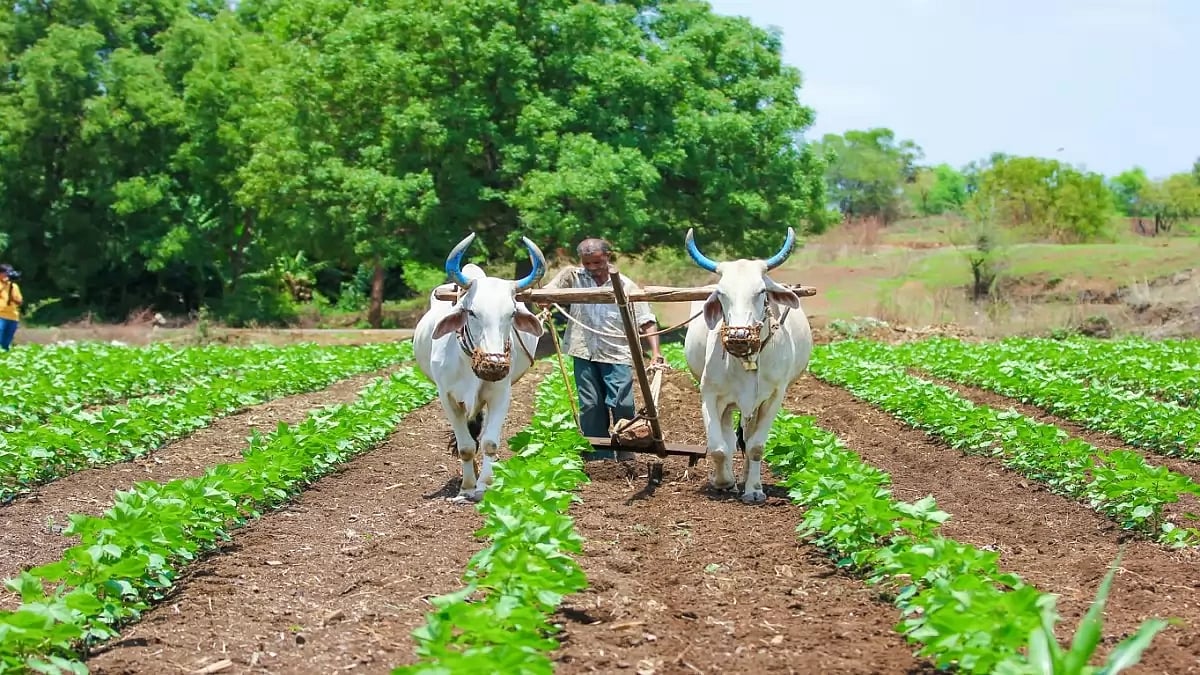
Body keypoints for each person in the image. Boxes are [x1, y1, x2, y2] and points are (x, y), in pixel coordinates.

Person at [543, 238, 663, 460]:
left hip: (616, 352)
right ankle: (599, 458)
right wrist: (545, 301)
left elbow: (646, 320)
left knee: (622, 403)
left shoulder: (626, 286)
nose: (592, 268)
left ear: (608, 256)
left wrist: (655, 353)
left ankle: (627, 452)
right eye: (587, 263)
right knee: (590, 405)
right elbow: (547, 296)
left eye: (597, 263)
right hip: (583, 350)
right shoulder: (572, 277)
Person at [0, 263, 23, 351]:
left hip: (12, 317)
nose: (7, 275)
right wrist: (4, 285)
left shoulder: (14, 286)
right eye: (6, 273)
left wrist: (14, 297)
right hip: (1, 315)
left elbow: (20, 301)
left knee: (6, 342)